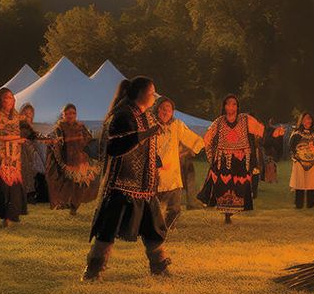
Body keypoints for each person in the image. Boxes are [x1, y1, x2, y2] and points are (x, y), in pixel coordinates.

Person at [83, 77, 169, 280]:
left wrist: (156, 164)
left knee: (152, 230)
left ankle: (159, 267)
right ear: (140, 93)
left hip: (144, 187)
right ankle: (93, 271)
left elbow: (148, 145)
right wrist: (145, 134)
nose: (154, 97)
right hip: (121, 185)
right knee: (107, 231)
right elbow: (114, 147)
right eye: (152, 92)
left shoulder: (146, 116)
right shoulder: (122, 116)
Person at [197, 95, 283, 224]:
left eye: (234, 104)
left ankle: (231, 212)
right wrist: (211, 156)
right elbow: (207, 138)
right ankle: (227, 213)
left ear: (237, 106)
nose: (231, 107)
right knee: (224, 186)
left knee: (238, 187)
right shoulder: (219, 122)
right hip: (224, 159)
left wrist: (274, 133)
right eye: (228, 104)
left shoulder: (245, 119)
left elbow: (261, 129)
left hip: (241, 159)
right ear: (224, 106)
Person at [153, 98, 204, 231]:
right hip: (153, 175)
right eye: (163, 108)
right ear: (157, 109)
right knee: (152, 208)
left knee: (174, 209)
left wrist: (198, 145)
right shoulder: (150, 125)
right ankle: (151, 229)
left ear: (172, 112)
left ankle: (166, 229)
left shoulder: (177, 126)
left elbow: (192, 139)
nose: (165, 112)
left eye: (168, 109)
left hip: (172, 176)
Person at [0, 88, 29, 227]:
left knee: (13, 187)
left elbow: (24, 131)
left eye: (11, 97)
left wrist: (19, 139)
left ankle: (8, 217)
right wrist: (14, 138)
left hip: (14, 156)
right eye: (5, 97)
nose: (9, 100)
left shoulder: (16, 115)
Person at [46, 104, 102, 216]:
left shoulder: (81, 127)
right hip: (68, 162)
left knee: (82, 185)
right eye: (67, 113)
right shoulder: (59, 128)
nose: (70, 115)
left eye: (73, 113)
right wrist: (61, 163)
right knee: (69, 185)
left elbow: (89, 141)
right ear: (63, 115)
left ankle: (74, 207)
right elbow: (56, 147)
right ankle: (67, 205)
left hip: (82, 161)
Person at [289, 112, 314, 209]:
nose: (307, 121)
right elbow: (291, 147)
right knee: (299, 182)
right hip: (299, 161)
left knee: (312, 183)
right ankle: (299, 204)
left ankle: (311, 204)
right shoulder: (296, 134)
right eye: (305, 119)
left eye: (309, 119)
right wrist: (298, 156)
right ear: (301, 121)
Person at [18, 103, 49, 204]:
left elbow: (35, 136)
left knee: (44, 150)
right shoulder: (19, 125)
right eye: (26, 113)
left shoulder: (31, 126)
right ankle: (29, 192)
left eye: (30, 113)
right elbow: (25, 136)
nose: (28, 115)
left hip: (32, 147)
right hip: (22, 149)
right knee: (32, 159)